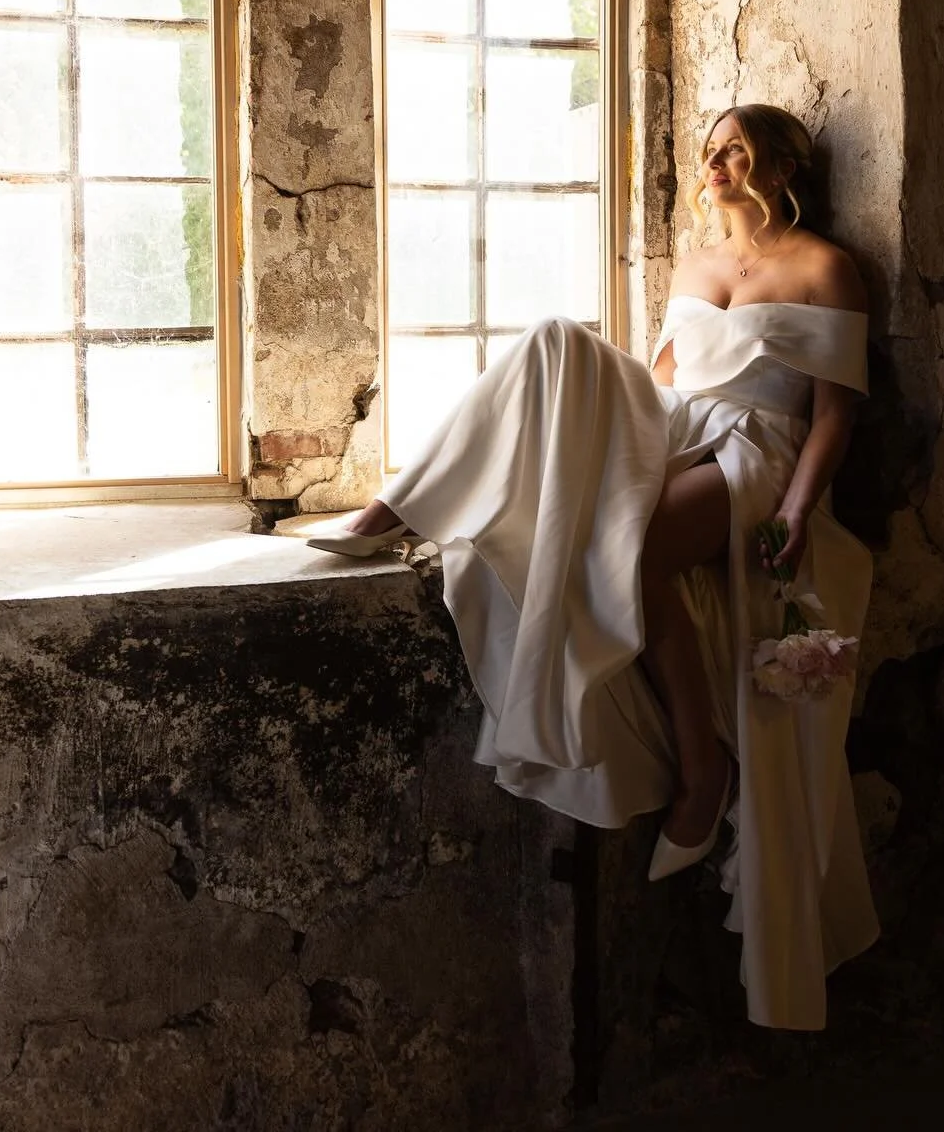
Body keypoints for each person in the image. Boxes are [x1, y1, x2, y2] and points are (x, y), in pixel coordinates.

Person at [308, 104, 879, 1030]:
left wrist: (795, 511)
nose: (716, 161)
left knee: (640, 550)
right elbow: (661, 382)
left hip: (754, 447)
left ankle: (705, 771)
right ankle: (396, 505)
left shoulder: (825, 268)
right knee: (550, 342)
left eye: (736, 147)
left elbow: (832, 417)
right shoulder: (694, 268)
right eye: (709, 150)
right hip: (683, 426)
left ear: (780, 165)